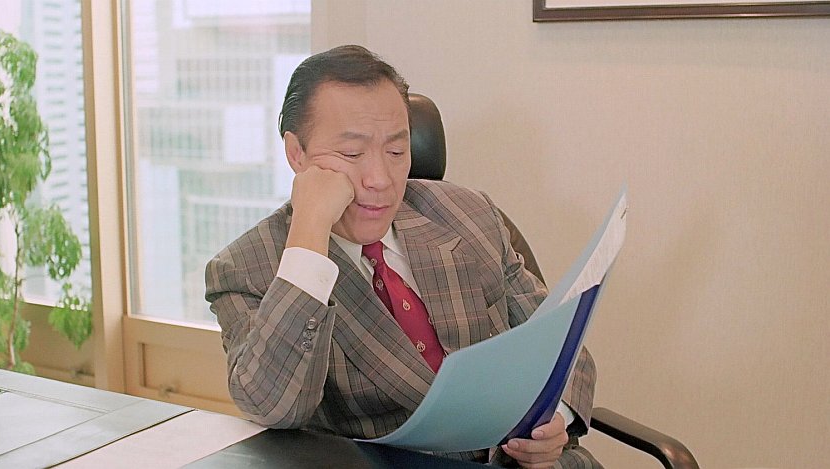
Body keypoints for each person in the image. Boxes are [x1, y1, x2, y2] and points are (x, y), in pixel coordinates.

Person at [205, 45, 600, 468]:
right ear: (297, 153)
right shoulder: (246, 267)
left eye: (396, 152)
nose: (380, 179)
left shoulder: (468, 213)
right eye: (351, 154)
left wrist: (553, 421)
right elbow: (272, 405)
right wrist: (310, 230)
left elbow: (562, 345)